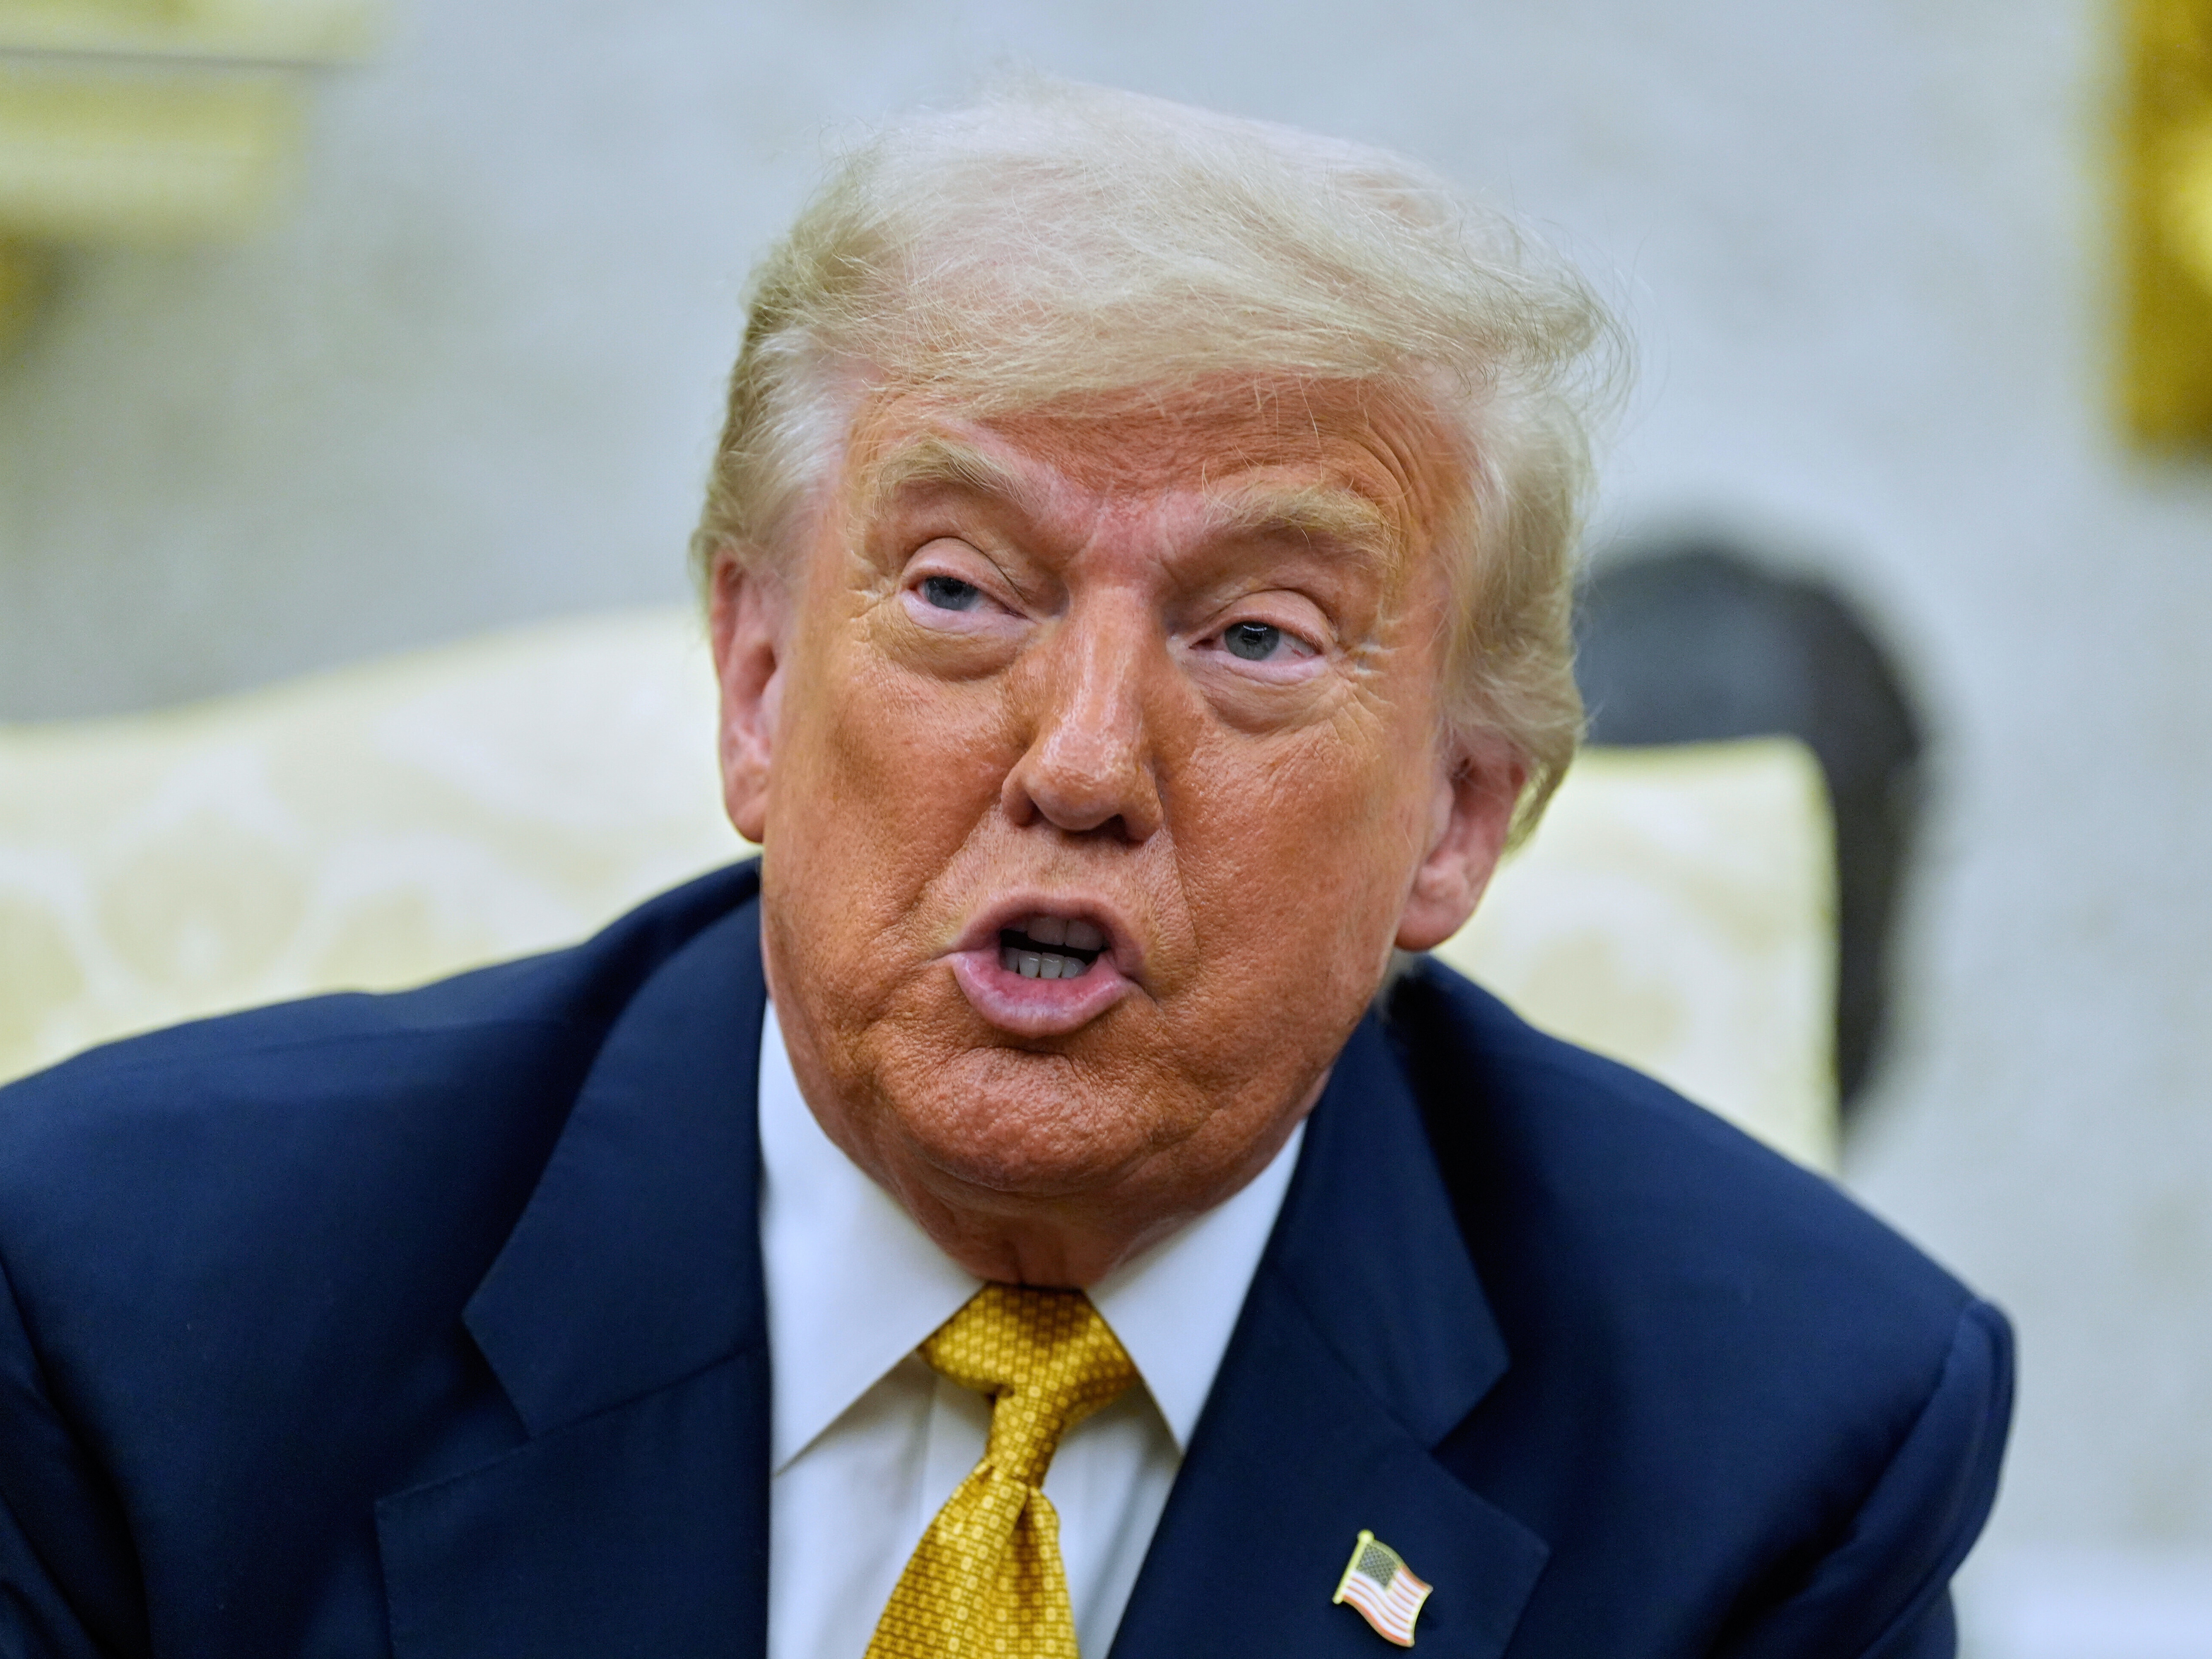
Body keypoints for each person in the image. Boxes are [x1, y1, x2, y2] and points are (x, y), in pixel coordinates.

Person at [0, 80, 2009, 1659]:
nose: (1077, 762)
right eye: (962, 591)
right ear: (759, 684)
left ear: (1460, 813)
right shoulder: (139, 1302)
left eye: (1257, 638)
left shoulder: (1780, 1431)